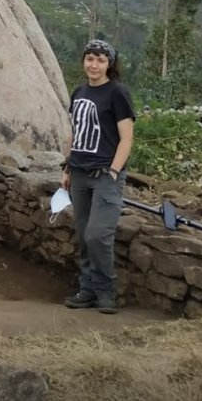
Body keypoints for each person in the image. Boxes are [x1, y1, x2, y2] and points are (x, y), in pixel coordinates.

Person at [61, 39, 135, 314]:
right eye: (90, 58)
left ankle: (106, 291)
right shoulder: (79, 92)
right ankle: (87, 290)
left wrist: (114, 171)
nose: (94, 64)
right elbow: (75, 132)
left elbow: (126, 138)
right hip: (79, 173)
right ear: (84, 61)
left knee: (97, 235)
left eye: (100, 60)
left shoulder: (117, 93)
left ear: (110, 65)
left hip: (106, 174)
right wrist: (66, 168)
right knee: (83, 235)